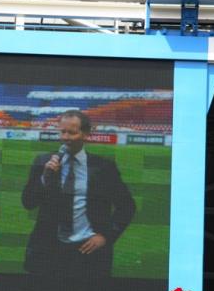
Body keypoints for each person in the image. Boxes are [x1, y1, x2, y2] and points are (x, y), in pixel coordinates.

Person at [22, 110, 135, 279]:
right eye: (62, 131)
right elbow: (28, 202)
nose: (65, 137)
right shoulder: (43, 162)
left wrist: (105, 236)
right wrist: (45, 177)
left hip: (88, 253)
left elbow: (126, 206)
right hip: (50, 251)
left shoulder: (103, 168)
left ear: (86, 134)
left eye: (72, 133)